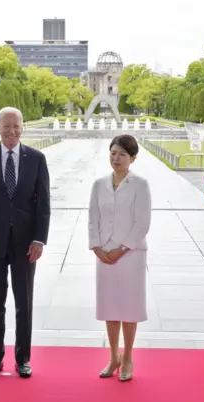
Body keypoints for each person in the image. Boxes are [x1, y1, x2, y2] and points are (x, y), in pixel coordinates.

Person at [0, 106, 51, 379]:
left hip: (26, 244)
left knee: (24, 302)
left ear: (22, 127)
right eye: (7, 127)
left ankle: (23, 359)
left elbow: (43, 205)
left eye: (17, 126)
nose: (12, 132)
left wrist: (39, 239)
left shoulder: (37, 159)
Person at [88, 134, 151, 382]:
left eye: (122, 154)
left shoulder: (140, 185)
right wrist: (97, 248)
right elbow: (93, 219)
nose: (116, 158)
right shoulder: (98, 184)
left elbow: (142, 223)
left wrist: (122, 249)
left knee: (129, 308)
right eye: (113, 153)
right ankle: (113, 357)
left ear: (132, 158)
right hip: (103, 254)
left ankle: (128, 358)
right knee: (110, 307)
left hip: (131, 255)